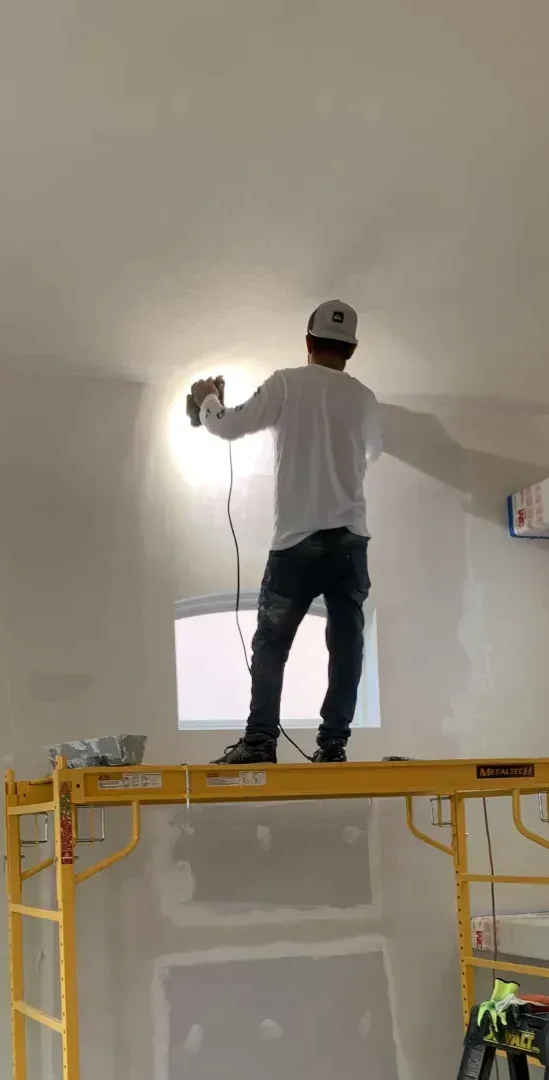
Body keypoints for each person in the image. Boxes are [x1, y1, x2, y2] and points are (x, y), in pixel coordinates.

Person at [188, 300, 382, 764]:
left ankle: (259, 743)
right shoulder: (365, 398)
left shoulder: (287, 383)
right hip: (351, 542)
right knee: (346, 642)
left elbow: (228, 426)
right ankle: (333, 746)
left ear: (308, 341)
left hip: (297, 544)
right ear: (351, 350)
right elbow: (372, 453)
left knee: (272, 643)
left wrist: (206, 397)